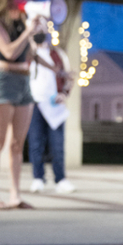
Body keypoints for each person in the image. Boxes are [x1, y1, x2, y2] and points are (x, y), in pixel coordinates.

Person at [0, 0, 46, 210]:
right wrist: (27, 32)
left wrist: (35, 34)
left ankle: (15, 194)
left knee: (17, 144)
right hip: (2, 81)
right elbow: (8, 51)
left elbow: (29, 55)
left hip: (23, 81)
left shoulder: (23, 21)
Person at [28, 32, 76, 195]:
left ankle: (61, 179)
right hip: (34, 104)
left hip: (53, 104)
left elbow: (69, 76)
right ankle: (38, 178)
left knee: (57, 145)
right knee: (35, 143)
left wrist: (64, 93)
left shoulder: (57, 55)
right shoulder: (28, 54)